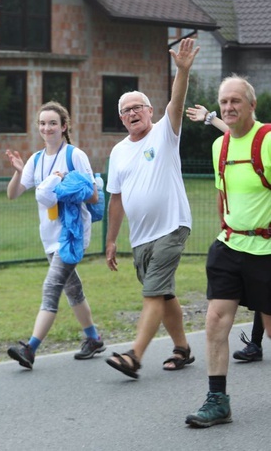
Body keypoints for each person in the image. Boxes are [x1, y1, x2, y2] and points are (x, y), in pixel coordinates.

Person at [104, 38, 199, 379]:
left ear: (150, 110)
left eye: (137, 107)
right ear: (121, 118)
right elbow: (115, 198)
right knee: (164, 291)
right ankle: (183, 348)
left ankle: (134, 355)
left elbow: (177, 102)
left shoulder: (164, 133)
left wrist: (182, 71)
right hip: (141, 236)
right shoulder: (117, 152)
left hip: (172, 226)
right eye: (126, 110)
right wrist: (112, 240)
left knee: (153, 292)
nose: (132, 113)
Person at [185, 75, 271, 427]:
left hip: (267, 250)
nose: (228, 107)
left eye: (236, 101)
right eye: (224, 102)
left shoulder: (267, 141)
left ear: (252, 106)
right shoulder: (218, 147)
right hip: (230, 245)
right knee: (216, 320)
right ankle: (217, 400)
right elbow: (223, 194)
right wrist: (225, 227)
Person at [4, 101, 105, 370]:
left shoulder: (75, 156)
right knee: (73, 289)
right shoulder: (36, 160)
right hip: (49, 237)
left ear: (63, 126)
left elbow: (93, 195)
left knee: (51, 288)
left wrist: (63, 185)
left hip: (71, 236)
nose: (46, 128)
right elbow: (13, 194)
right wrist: (18, 171)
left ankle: (30, 348)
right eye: (42, 123)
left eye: (52, 123)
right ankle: (94, 339)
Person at [187, 105, 264, 363]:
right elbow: (236, 134)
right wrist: (211, 118)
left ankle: (255, 343)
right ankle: (255, 344)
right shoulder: (258, 136)